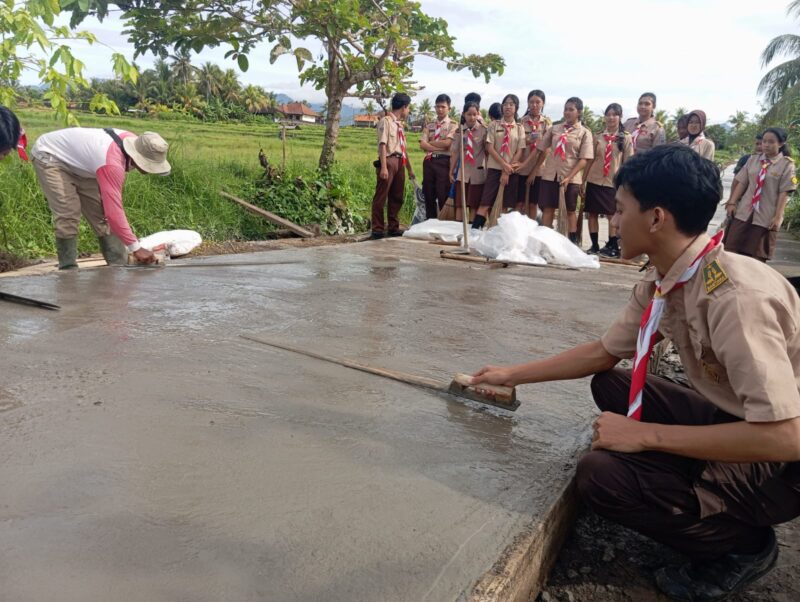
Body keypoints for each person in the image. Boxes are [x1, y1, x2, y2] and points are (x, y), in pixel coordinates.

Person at [471, 144, 800, 601]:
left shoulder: (734, 299)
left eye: (621, 209)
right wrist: (511, 374)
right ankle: (692, 479)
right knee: (613, 385)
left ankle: (741, 545)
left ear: (656, 218)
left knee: (600, 476)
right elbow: (603, 353)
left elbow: (786, 436)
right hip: (740, 419)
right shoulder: (668, 278)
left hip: (782, 462)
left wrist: (645, 437)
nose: (614, 219)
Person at [31, 126, 171, 269]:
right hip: (51, 156)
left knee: (101, 213)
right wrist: (136, 248)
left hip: (83, 164)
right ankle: (68, 270)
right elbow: (114, 212)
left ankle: (118, 264)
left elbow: (109, 213)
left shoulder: (139, 144)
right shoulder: (111, 164)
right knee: (68, 213)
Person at [520, 96, 593, 243]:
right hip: (550, 176)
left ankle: (572, 242)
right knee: (548, 209)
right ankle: (545, 242)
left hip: (571, 178)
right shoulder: (555, 129)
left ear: (579, 112)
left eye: (571, 109)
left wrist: (569, 178)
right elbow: (540, 149)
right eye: (565, 109)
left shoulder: (584, 132)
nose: (567, 112)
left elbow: (584, 159)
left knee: (570, 211)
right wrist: (525, 165)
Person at [724, 127, 796, 262]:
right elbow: (742, 182)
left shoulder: (787, 165)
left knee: (757, 256)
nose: (766, 145)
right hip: (744, 212)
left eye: (771, 142)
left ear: (781, 144)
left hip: (765, 217)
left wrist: (778, 217)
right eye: (764, 141)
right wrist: (732, 202)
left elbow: (784, 192)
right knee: (731, 250)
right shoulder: (753, 160)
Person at [582, 103, 633, 256]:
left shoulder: (625, 137)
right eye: (608, 114)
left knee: (612, 214)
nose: (611, 118)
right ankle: (594, 245)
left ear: (620, 117)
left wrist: (625, 184)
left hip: (613, 182)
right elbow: (590, 159)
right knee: (592, 213)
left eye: (614, 115)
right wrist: (583, 180)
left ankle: (612, 245)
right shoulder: (598, 136)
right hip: (595, 179)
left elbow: (628, 162)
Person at [472, 94, 525, 230]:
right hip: (495, 170)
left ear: (516, 108)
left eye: (511, 104)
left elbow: (520, 151)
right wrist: (504, 165)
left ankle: (498, 233)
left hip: (511, 172)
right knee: (485, 203)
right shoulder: (494, 125)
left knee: (504, 205)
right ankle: (474, 232)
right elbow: (490, 147)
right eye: (505, 104)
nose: (508, 107)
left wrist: (507, 170)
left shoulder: (520, 128)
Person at [371, 92, 414, 239]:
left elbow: (403, 149)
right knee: (381, 195)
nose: (408, 111)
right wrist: (383, 167)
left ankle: (393, 227)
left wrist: (409, 169)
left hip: (399, 161)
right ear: (404, 107)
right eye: (408, 108)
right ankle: (377, 228)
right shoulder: (386, 121)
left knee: (397, 196)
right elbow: (382, 145)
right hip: (388, 161)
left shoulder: (399, 125)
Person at [419, 94, 457, 218]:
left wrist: (429, 143)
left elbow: (447, 144)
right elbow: (422, 145)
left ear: (449, 108)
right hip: (429, 162)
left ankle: (443, 223)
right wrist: (439, 146)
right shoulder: (429, 125)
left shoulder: (453, 125)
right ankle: (430, 222)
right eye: (437, 106)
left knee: (443, 194)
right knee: (428, 194)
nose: (440, 109)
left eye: (443, 107)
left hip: (444, 162)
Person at [450, 101, 487, 222]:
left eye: (474, 114)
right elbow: (455, 152)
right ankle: (458, 228)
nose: (472, 117)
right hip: (463, 173)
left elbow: (488, 151)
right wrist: (451, 171)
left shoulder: (484, 130)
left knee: (474, 204)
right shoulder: (459, 131)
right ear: (463, 114)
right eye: (469, 114)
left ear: (478, 114)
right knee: (460, 204)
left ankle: (472, 229)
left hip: (478, 172)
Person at [516, 90, 551, 217]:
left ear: (543, 103)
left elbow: (546, 149)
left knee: (533, 204)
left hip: (538, 169)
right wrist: (527, 141)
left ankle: (531, 227)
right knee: (519, 203)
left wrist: (534, 172)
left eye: (538, 102)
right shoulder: (520, 122)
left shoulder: (547, 124)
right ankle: (517, 227)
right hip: (521, 168)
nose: (534, 105)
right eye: (531, 102)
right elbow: (516, 144)